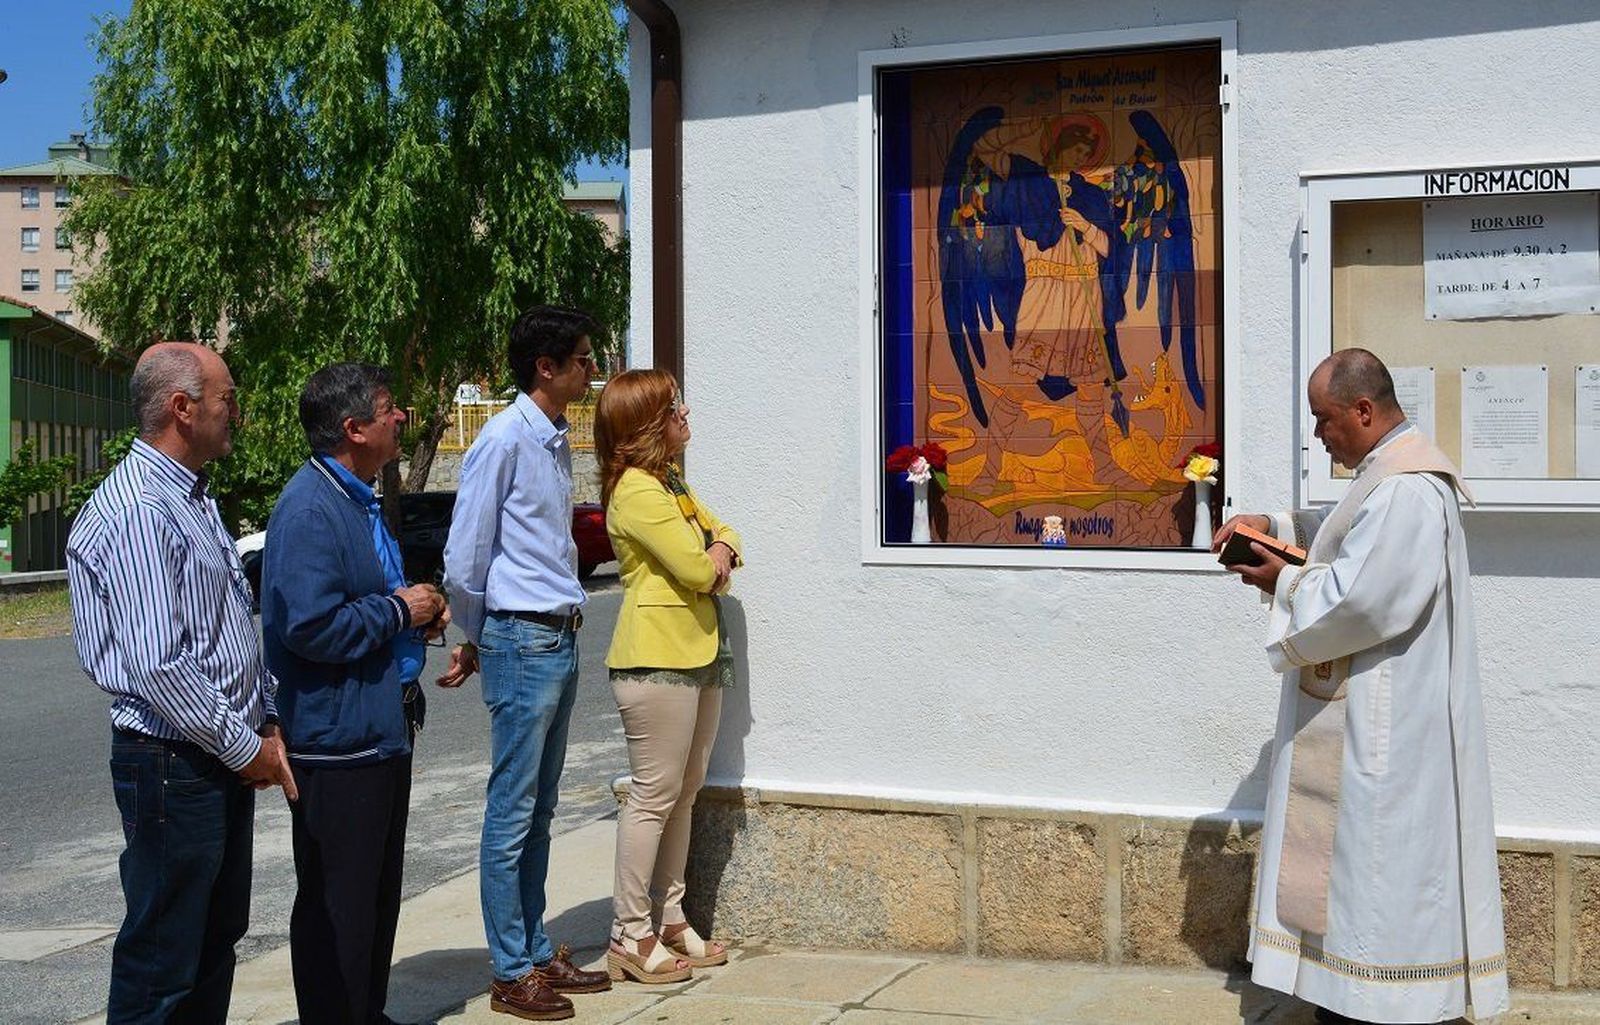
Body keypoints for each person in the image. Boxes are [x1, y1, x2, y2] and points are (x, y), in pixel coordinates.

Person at [1214, 348, 1508, 1025]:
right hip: (1364, 721)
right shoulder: (1384, 472)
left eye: (1325, 420)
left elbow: (1366, 601)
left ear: (1363, 411)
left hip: (1385, 734)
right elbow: (1344, 536)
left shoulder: (1408, 487)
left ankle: (1381, 1004)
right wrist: (1275, 529)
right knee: (1353, 884)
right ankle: (1350, 998)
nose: (1320, 435)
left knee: (1377, 882)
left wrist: (1281, 580)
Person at [67, 341, 296, 1024]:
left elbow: (220, 627)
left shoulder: (188, 496)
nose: (236, 413)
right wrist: (243, 745)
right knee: (163, 961)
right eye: (227, 399)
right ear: (182, 407)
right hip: (174, 760)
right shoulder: (142, 507)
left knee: (210, 944)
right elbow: (159, 664)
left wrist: (265, 718)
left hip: (212, 753)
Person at [261, 363, 447, 1025]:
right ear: (353, 428)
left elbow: (370, 596)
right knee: (337, 901)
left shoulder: (357, 493)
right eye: (389, 408)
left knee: (373, 893)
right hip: (337, 743)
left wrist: (419, 611)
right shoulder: (311, 507)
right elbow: (309, 625)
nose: (401, 419)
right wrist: (400, 611)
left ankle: (365, 1010)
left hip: (378, 728)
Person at [441, 305, 611, 1020]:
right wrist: (477, 634)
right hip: (520, 637)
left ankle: (536, 951)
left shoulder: (551, 439)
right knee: (511, 812)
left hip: (557, 634)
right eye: (580, 358)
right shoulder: (505, 439)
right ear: (546, 367)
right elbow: (465, 554)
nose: (591, 370)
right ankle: (511, 968)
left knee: (540, 809)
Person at [593, 369, 742, 984]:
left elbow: (726, 533)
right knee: (654, 795)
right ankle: (629, 932)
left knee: (685, 791)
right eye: (673, 404)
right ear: (647, 424)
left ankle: (672, 918)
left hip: (696, 653)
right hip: (655, 659)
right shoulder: (636, 491)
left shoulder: (669, 483)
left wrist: (718, 550)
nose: (685, 411)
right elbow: (695, 565)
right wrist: (713, 559)